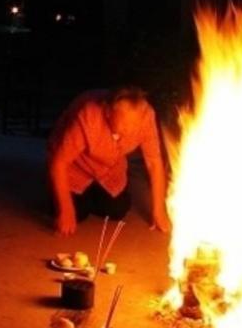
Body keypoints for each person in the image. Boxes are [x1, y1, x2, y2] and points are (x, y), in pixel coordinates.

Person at [47, 87, 170, 236]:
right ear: (107, 112)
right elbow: (60, 162)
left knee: (117, 210)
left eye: (135, 125)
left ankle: (92, 192)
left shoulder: (146, 116)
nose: (130, 131)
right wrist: (66, 210)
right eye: (124, 124)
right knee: (73, 212)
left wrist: (159, 210)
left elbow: (154, 162)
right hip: (76, 166)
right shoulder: (88, 116)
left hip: (109, 168)